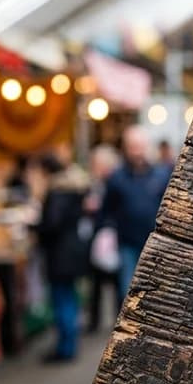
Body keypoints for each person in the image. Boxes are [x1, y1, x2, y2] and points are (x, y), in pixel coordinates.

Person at [101, 126, 171, 300]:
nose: (137, 151)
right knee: (127, 291)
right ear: (125, 148)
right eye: (133, 146)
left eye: (140, 146)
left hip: (154, 243)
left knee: (153, 292)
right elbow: (107, 210)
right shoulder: (116, 177)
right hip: (127, 243)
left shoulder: (160, 175)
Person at [33, 150, 91, 363]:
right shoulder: (74, 189)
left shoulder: (57, 193)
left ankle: (65, 348)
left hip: (60, 254)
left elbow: (52, 224)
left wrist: (34, 227)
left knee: (62, 299)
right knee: (69, 298)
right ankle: (69, 344)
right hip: (73, 251)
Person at [83, 143, 120, 333]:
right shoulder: (94, 183)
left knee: (115, 281)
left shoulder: (114, 182)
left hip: (109, 237)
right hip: (97, 237)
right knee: (96, 283)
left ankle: (117, 319)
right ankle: (94, 320)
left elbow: (115, 209)